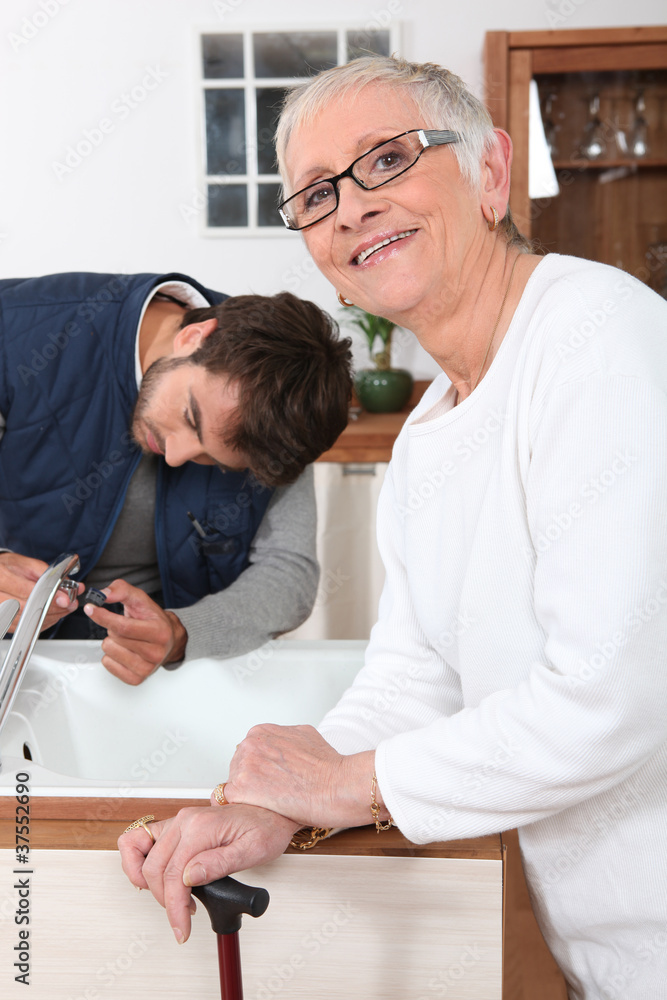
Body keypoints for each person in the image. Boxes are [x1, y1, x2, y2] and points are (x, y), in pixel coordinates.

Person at [118, 58, 667, 1000]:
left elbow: (609, 696)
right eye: (317, 194)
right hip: (613, 956)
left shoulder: (598, 338)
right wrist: (271, 811)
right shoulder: (426, 436)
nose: (350, 208)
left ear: (491, 174)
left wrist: (338, 785)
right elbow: (415, 676)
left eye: (387, 160)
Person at [0, 272, 352, 684]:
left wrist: (183, 631)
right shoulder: (17, 331)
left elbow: (288, 574)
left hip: (172, 680)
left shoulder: (285, 402)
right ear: (194, 337)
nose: (175, 455)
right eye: (190, 417)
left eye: (216, 462)